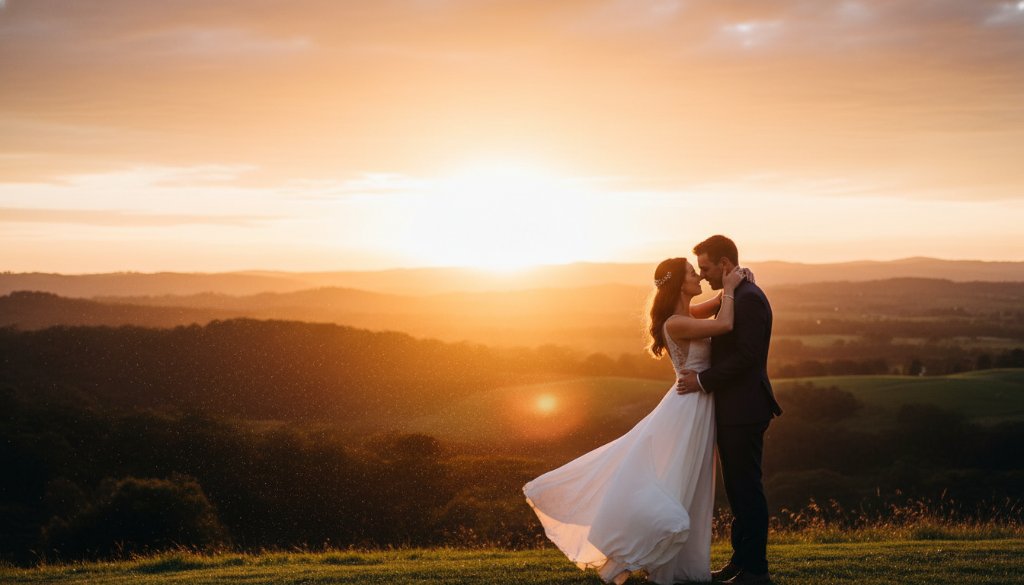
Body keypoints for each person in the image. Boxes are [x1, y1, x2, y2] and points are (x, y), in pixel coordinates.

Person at [523, 255, 745, 585]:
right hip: (687, 409)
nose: (698, 276)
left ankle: (679, 565)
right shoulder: (675, 322)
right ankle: (631, 545)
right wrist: (729, 288)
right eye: (691, 273)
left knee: (689, 481)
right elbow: (725, 323)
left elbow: (712, 306)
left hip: (696, 406)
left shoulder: (684, 315)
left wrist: (730, 286)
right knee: (675, 476)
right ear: (679, 284)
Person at [677, 235, 782, 584]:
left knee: (747, 489)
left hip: (745, 408)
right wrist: (727, 291)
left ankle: (755, 570)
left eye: (706, 267)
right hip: (733, 409)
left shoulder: (749, 299)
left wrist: (702, 381)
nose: (703, 275)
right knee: (738, 490)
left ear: (724, 264)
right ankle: (742, 560)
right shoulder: (736, 295)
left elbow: (746, 356)